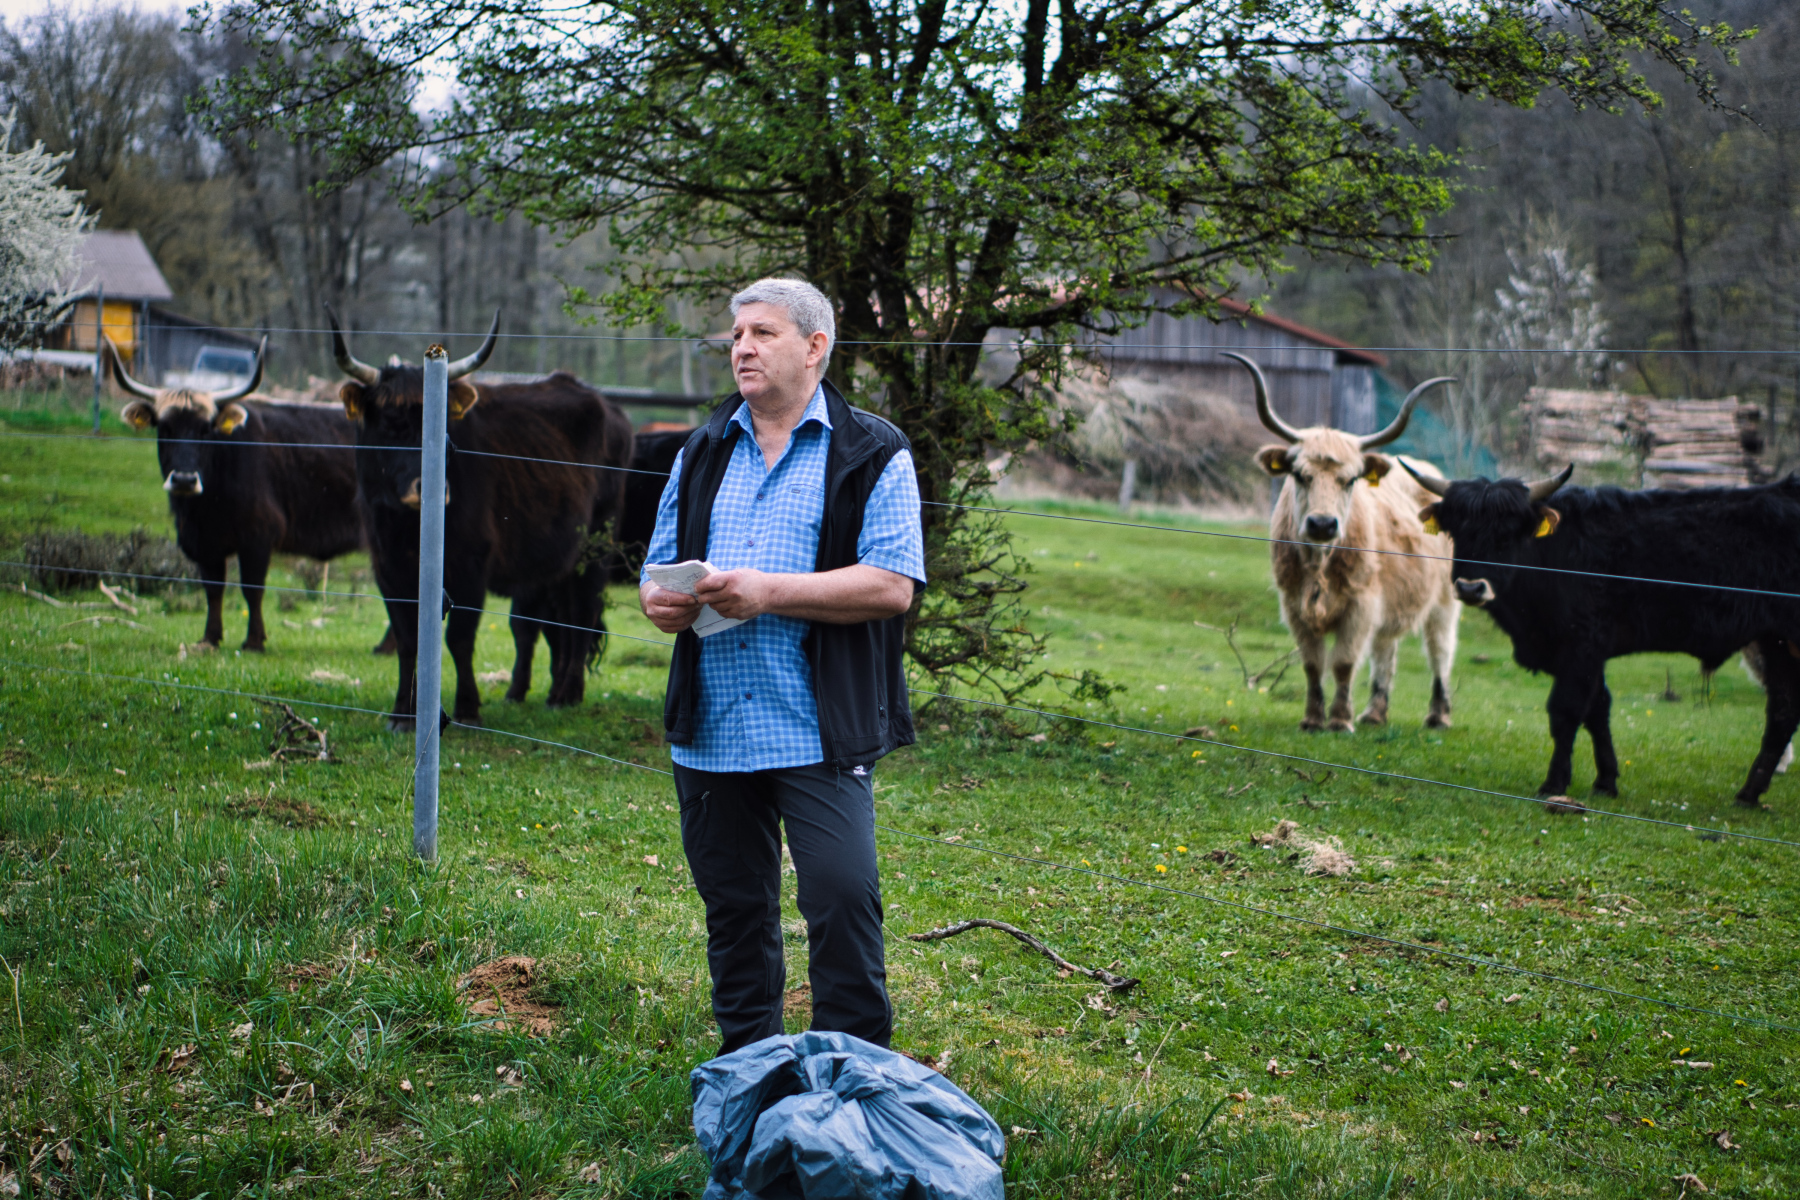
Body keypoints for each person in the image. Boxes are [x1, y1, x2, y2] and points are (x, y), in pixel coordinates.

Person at [639, 277, 925, 1053]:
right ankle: (750, 1074)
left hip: (817, 726)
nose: (742, 348)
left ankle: (853, 1078)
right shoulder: (702, 449)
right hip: (713, 728)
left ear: (814, 346)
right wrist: (660, 602)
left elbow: (892, 585)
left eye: (762, 333)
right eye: (736, 336)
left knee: (841, 906)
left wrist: (767, 592)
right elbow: (657, 568)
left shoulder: (873, 450)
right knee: (735, 915)